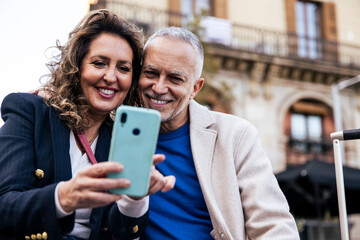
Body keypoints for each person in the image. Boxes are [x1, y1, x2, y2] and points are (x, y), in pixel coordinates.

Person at [0, 10, 174, 240]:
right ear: (77, 67)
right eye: (99, 63)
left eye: (123, 68)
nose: (111, 77)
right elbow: (4, 207)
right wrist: (63, 197)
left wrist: (135, 197)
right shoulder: (31, 112)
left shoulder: (121, 139)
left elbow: (123, 234)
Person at [138, 27, 300, 239]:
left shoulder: (236, 136)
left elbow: (273, 225)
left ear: (195, 88)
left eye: (175, 79)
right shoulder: (116, 132)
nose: (159, 87)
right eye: (151, 73)